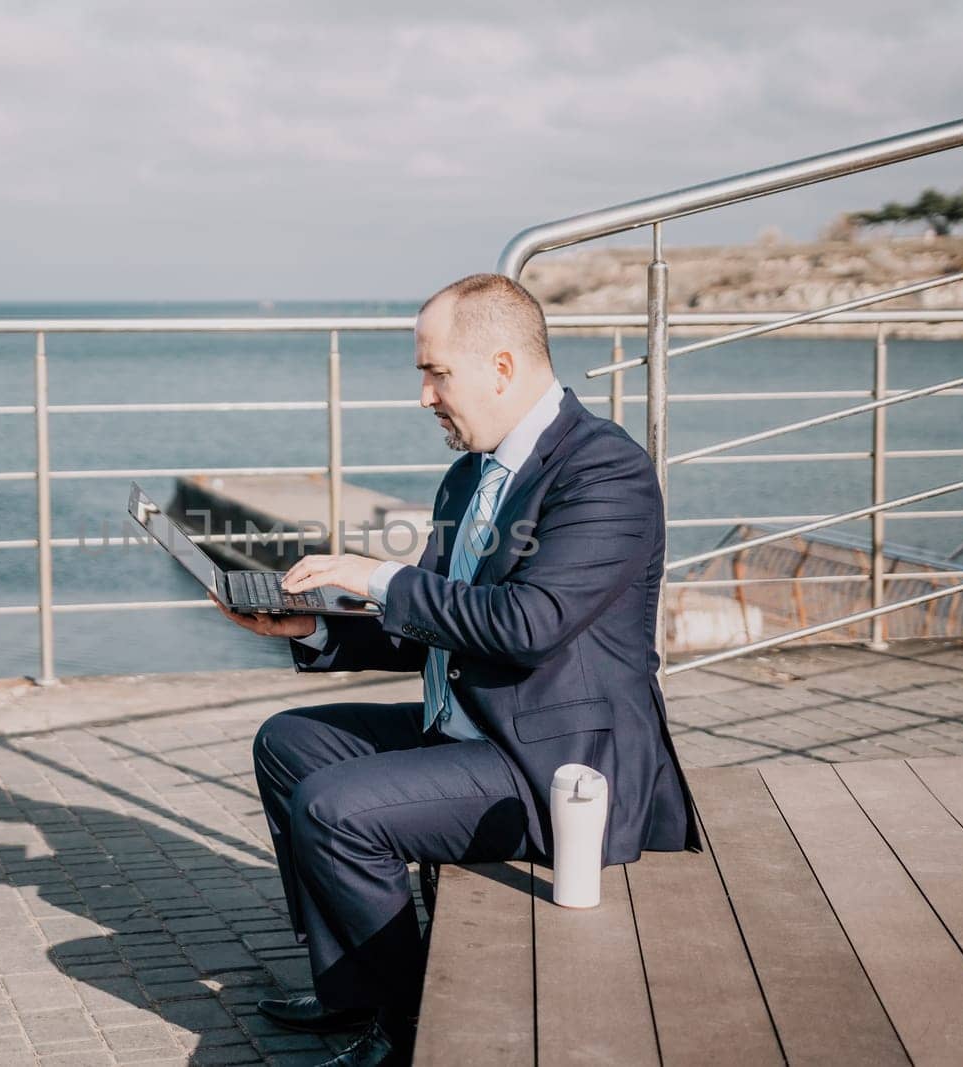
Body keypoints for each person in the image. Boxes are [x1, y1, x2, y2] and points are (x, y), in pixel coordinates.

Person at [212, 273, 699, 1067]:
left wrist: (377, 574)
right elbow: (432, 627)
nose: (426, 395)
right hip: (473, 732)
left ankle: (406, 1032)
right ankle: (355, 989)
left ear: (501, 367)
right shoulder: (470, 475)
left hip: (558, 764)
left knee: (336, 810)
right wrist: (309, 627)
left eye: (435, 372)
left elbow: (529, 625)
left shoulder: (605, 473)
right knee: (289, 744)